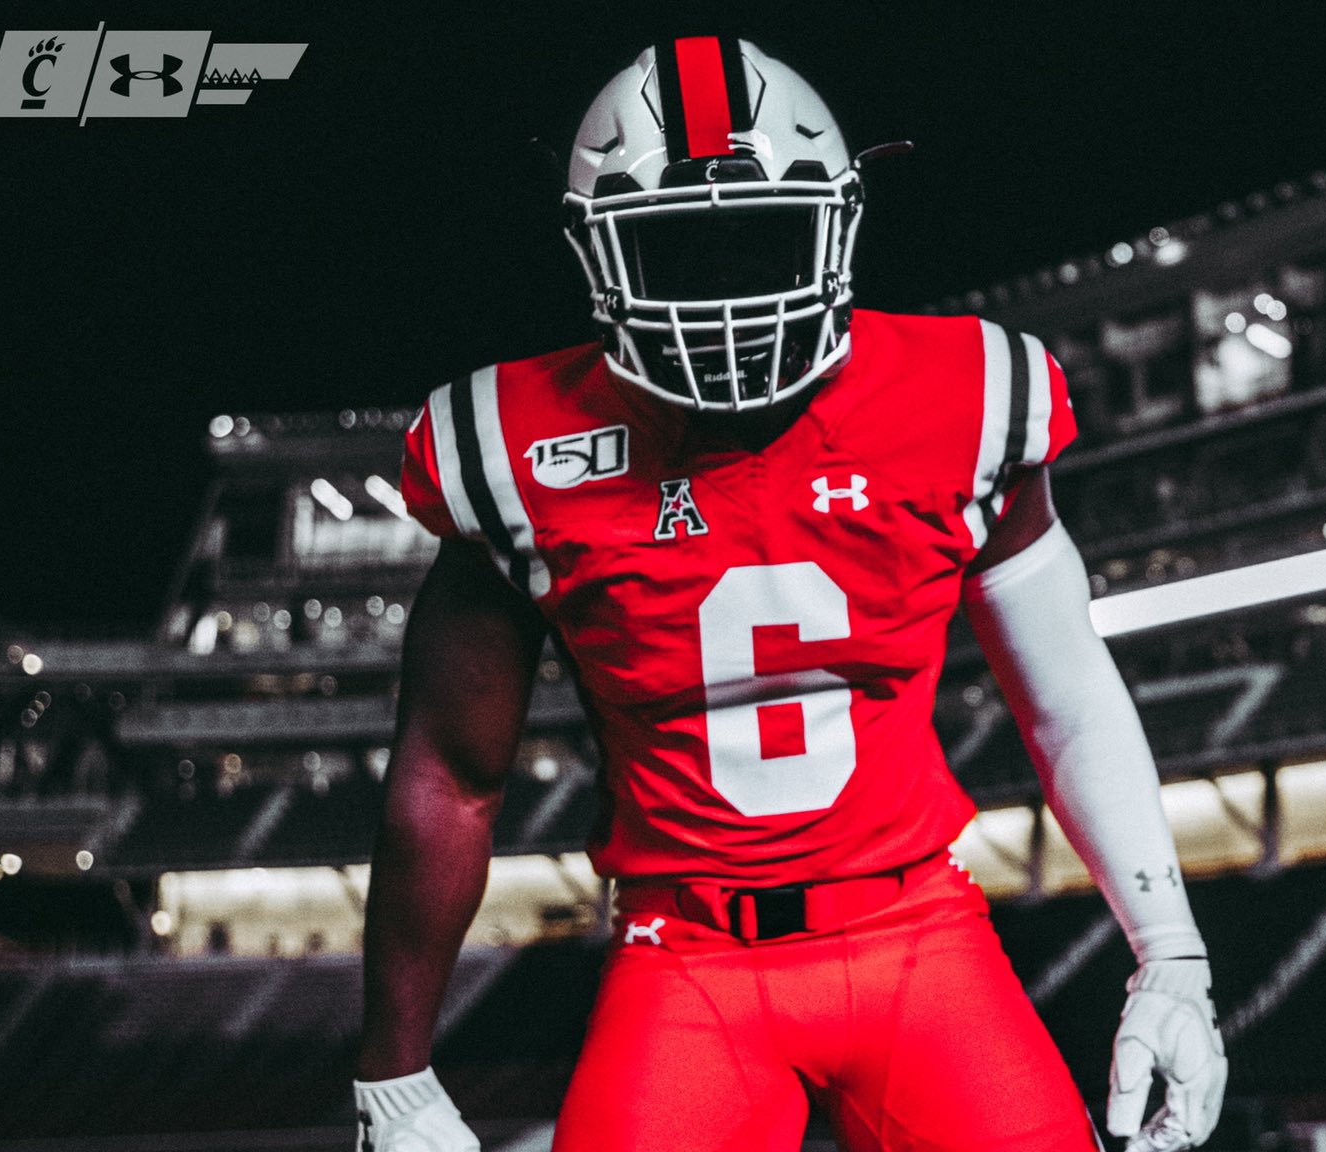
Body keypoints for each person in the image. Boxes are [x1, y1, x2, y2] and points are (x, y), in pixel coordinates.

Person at [352, 34, 1225, 1152]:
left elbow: (1067, 698)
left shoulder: (965, 395)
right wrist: (394, 1069)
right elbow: (449, 774)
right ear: (591, 252)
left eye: (762, 237)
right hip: (683, 960)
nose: (727, 300)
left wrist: (1173, 954)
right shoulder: (515, 446)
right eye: (678, 254)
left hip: (916, 927)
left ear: (840, 221)